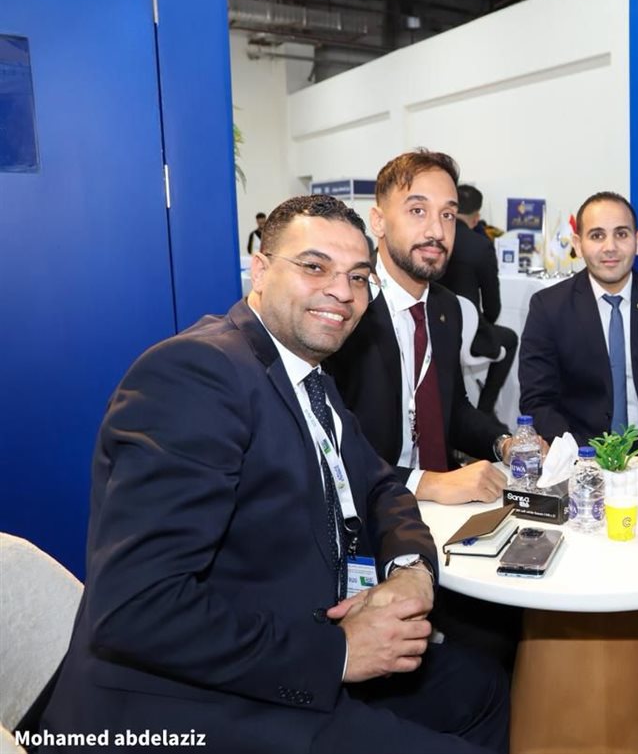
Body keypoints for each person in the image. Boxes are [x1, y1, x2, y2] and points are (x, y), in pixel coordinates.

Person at [38, 195, 508, 754]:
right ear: (260, 270)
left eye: (359, 277)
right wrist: (340, 653)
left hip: (297, 643)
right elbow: (138, 609)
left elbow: (381, 485)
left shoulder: (308, 374)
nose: (343, 292)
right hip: (184, 704)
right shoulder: (196, 374)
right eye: (315, 266)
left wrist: (410, 573)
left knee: (484, 687)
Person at [326, 151, 540, 507]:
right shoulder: (345, 310)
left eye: (448, 215)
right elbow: (326, 448)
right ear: (378, 221)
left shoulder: (445, 307)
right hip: (374, 508)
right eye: (417, 211)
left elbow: (452, 409)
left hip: (447, 504)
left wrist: (504, 443)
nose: (437, 232)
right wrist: (425, 483)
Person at [518, 190, 638, 450]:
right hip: (582, 451)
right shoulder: (548, 307)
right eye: (597, 236)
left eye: (621, 234)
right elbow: (538, 402)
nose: (610, 247)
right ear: (578, 244)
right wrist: (582, 454)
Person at [438, 183, 519, 415]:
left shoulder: (435, 239)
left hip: (433, 330)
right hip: (469, 334)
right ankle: (484, 410)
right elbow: (493, 307)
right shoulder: (480, 246)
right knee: (510, 338)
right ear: (476, 218)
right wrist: (482, 323)